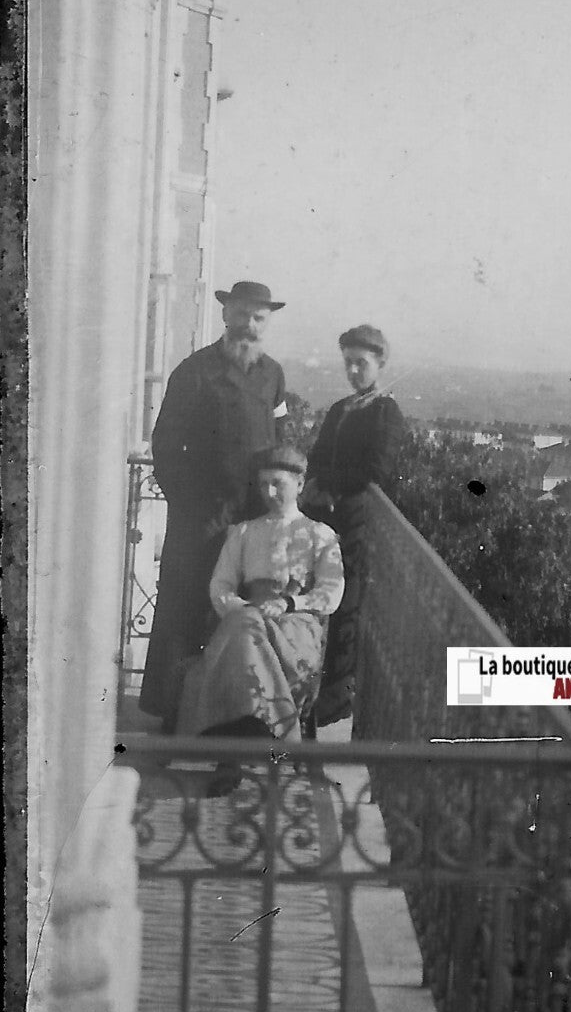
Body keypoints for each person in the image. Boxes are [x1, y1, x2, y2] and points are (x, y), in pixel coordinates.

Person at [139, 280, 290, 728]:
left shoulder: (273, 375)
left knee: (242, 614)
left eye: (258, 317)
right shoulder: (195, 371)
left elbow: (280, 441)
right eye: (241, 314)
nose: (249, 324)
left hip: (252, 519)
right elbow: (164, 445)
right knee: (185, 606)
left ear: (267, 323)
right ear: (225, 316)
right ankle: (172, 714)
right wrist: (187, 502)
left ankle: (233, 719)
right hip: (200, 518)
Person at [174, 445, 344, 759]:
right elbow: (221, 585)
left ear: (300, 485)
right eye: (263, 483)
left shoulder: (319, 535)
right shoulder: (244, 533)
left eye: (277, 483)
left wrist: (291, 604)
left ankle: (232, 750)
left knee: (241, 638)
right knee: (245, 627)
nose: (268, 491)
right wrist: (242, 607)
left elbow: (330, 594)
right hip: (247, 618)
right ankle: (258, 737)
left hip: (295, 629)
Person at [301, 324, 406, 728]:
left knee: (347, 606)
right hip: (327, 520)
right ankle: (308, 691)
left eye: (361, 363)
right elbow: (318, 455)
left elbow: (376, 469)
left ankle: (332, 703)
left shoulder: (385, 412)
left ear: (380, 364)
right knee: (320, 600)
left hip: (358, 525)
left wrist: (329, 484)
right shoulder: (342, 409)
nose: (354, 371)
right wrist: (316, 482)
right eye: (348, 363)